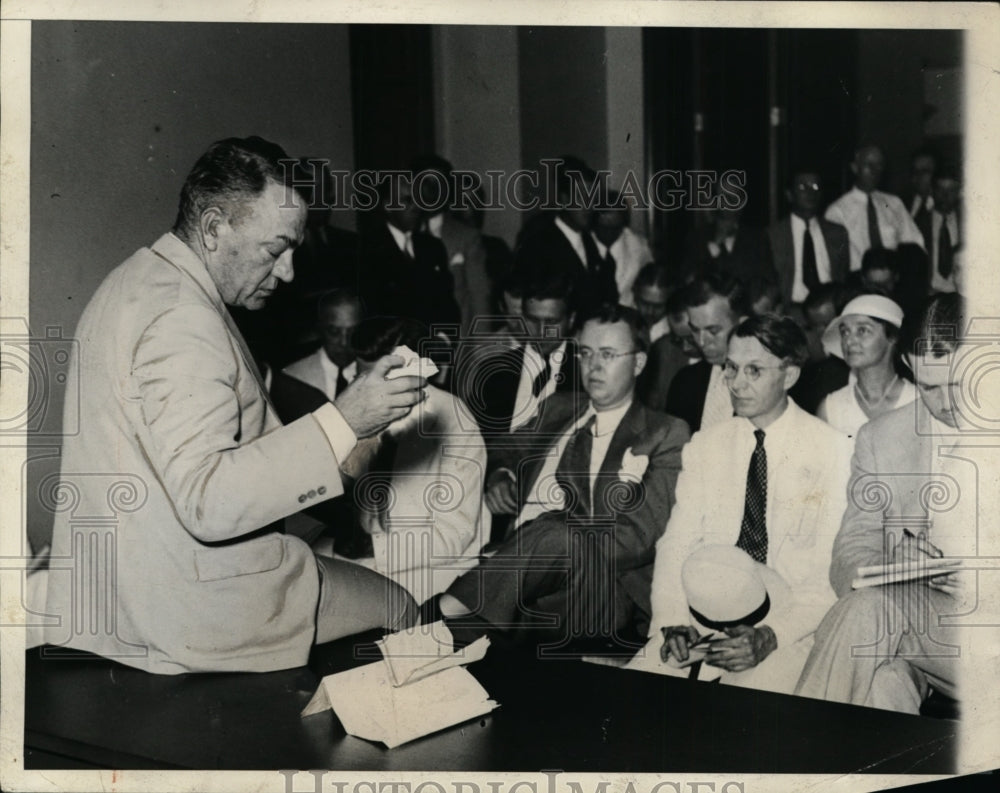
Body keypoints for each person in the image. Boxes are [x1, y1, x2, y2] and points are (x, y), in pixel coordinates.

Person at [44, 137, 425, 674]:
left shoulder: (137, 280)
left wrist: (359, 427)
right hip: (189, 608)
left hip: (115, 594)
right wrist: (346, 420)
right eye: (276, 249)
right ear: (214, 227)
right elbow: (209, 501)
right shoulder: (183, 320)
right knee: (402, 606)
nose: (290, 272)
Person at [433, 304, 689, 646]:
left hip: (603, 590)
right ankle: (445, 628)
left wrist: (534, 551)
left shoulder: (665, 432)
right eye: (585, 353)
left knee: (558, 531)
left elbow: (636, 539)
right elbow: (498, 447)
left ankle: (442, 612)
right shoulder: (559, 407)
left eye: (609, 355)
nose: (593, 366)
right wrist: (500, 474)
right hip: (515, 579)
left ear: (639, 362)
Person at [647, 314, 853, 693]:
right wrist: (674, 619)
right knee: (639, 698)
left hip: (791, 627)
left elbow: (830, 574)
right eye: (731, 368)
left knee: (743, 719)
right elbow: (676, 542)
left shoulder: (834, 452)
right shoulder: (707, 445)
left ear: (789, 376)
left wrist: (771, 635)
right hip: (703, 617)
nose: (736, 384)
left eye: (754, 371)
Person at [795, 294, 974, 714]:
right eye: (930, 388)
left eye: (960, 384)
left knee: (874, 610)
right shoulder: (882, 438)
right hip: (918, 637)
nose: (948, 405)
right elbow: (850, 553)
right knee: (882, 682)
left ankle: (788, 763)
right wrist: (895, 566)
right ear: (910, 367)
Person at [327, 316, 489, 604]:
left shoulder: (453, 419)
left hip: (430, 581)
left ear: (416, 371)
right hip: (362, 570)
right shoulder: (358, 410)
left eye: (380, 380)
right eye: (362, 379)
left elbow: (456, 535)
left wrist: (375, 548)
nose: (368, 392)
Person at [516, 156, 616, 313]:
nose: (589, 206)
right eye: (582, 198)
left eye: (594, 198)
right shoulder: (539, 243)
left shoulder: (591, 240)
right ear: (564, 199)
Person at [817, 294, 916, 440]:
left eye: (862, 330)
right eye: (845, 332)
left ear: (892, 338)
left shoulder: (918, 401)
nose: (849, 341)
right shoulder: (831, 409)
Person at [411, 154, 492, 331]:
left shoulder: (467, 238)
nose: (432, 191)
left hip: (455, 347)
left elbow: (479, 301)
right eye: (425, 183)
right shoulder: (403, 235)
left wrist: (481, 353)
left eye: (439, 184)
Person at [665, 270, 748, 433]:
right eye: (695, 330)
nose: (701, 342)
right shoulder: (684, 382)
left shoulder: (770, 384)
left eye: (713, 331)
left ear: (743, 324)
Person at [824, 144, 925, 272]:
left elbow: (915, 244)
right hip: (856, 282)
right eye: (869, 165)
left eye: (879, 165)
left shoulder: (893, 203)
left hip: (892, 281)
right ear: (855, 168)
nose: (875, 170)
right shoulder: (837, 211)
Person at [270, 289, 364, 423]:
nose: (344, 342)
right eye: (334, 331)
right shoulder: (291, 378)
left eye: (353, 332)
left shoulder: (378, 372)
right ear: (320, 329)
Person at [765, 168, 850, 307]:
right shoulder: (773, 235)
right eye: (802, 187)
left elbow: (843, 276)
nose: (810, 192)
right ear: (789, 194)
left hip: (829, 309)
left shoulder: (838, 233)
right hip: (789, 310)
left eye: (815, 186)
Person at [589, 189, 655, 306]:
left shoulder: (638, 246)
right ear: (593, 223)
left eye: (615, 228)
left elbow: (650, 284)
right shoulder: (582, 244)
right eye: (603, 227)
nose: (609, 234)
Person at [927, 170, 961, 294]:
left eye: (951, 190)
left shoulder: (967, 224)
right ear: (932, 191)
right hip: (930, 294)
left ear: (958, 193)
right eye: (940, 189)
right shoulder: (918, 223)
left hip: (959, 294)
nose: (945, 195)